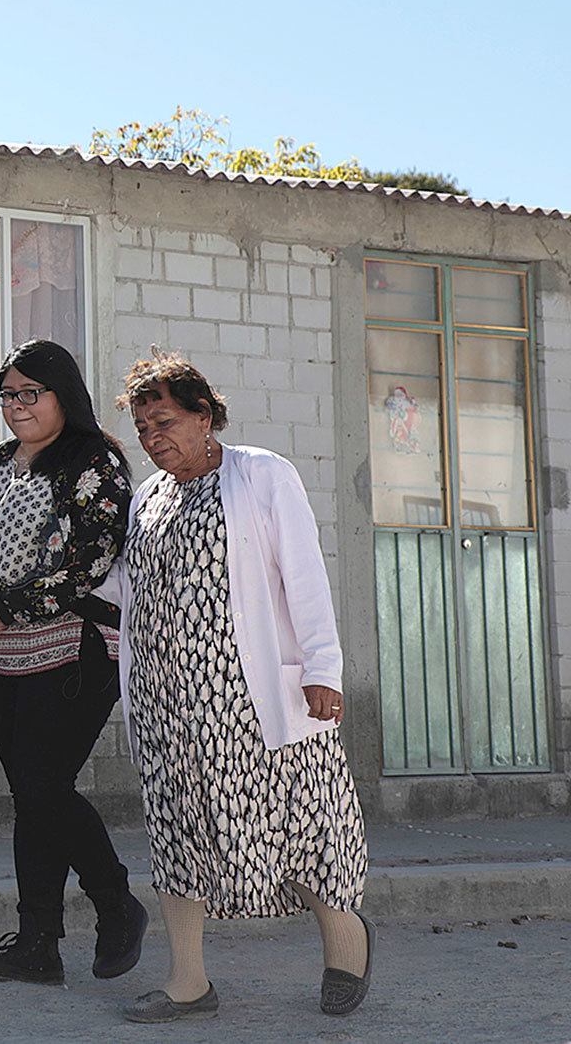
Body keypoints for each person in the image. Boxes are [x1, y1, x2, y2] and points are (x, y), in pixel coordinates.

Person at [112, 350, 372, 1024]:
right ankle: (188, 980)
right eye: (143, 427)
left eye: (164, 420)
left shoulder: (261, 475)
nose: (153, 437)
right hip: (167, 704)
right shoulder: (148, 497)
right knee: (179, 831)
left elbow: (304, 572)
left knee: (298, 824)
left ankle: (347, 943)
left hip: (252, 700)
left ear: (205, 415)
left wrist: (322, 667)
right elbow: (129, 590)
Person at [0, 339, 149, 987]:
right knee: (31, 795)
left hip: (77, 648)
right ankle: (38, 943)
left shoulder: (95, 463)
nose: (17, 405)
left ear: (63, 395)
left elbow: (90, 560)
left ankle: (115, 902)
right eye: (8, 394)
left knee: (42, 786)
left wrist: (5, 602)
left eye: (32, 392)